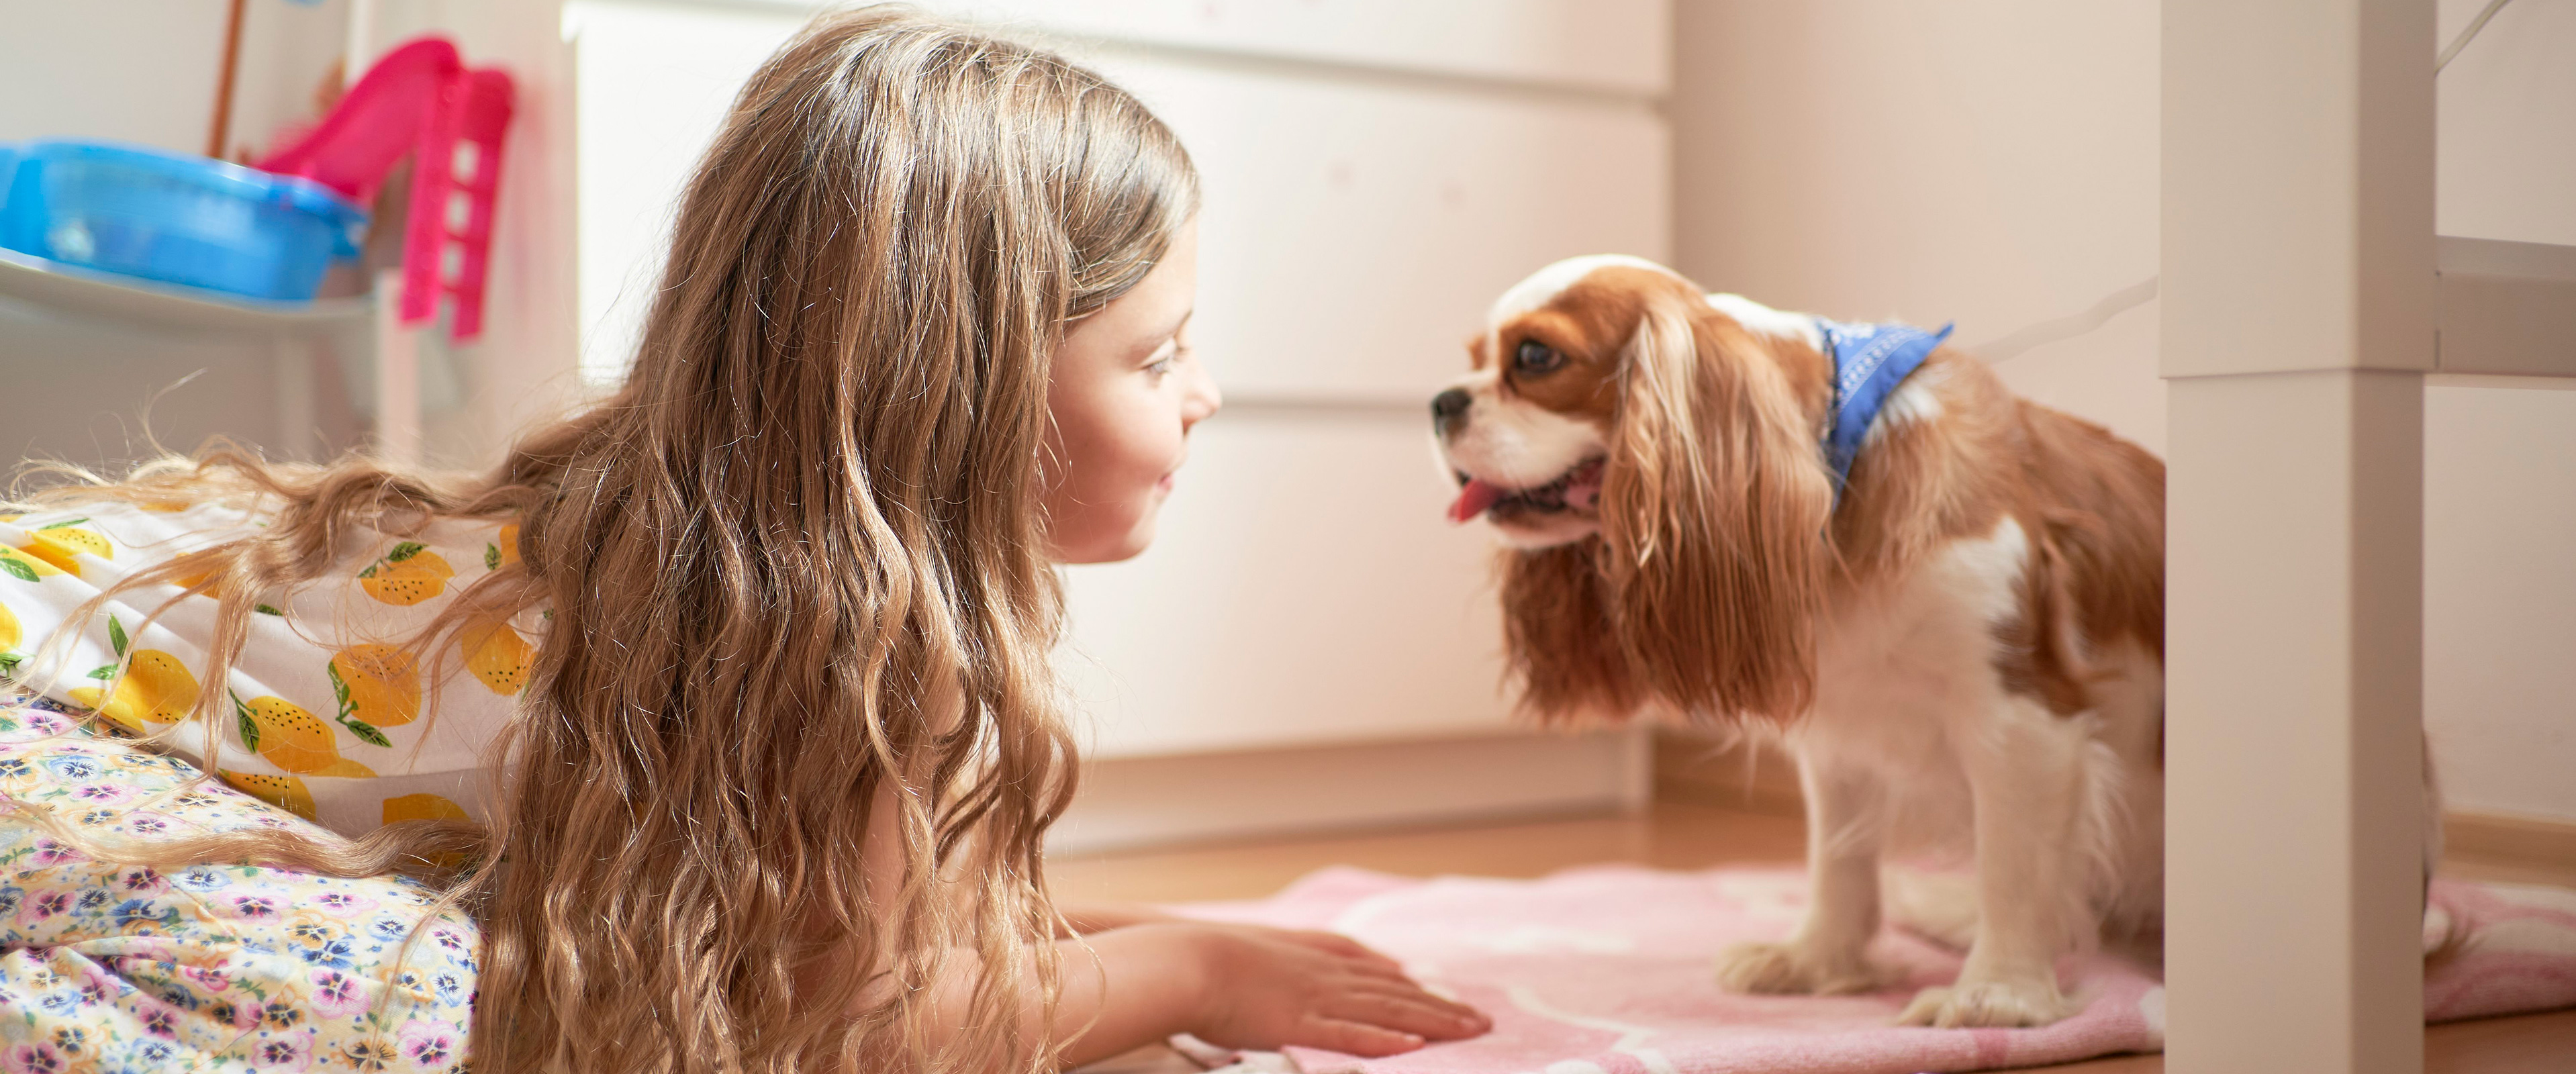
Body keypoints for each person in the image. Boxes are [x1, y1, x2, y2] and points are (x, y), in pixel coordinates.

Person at [0, 8, 1488, 1071]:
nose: (1206, 393)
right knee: (466, 1010)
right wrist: (1197, 970)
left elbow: (825, 929)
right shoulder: (855, 642)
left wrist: (1126, 933)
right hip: (35, 752)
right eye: (1159, 357)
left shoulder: (738, 562)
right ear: (957, 390)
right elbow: (841, 1026)